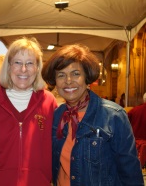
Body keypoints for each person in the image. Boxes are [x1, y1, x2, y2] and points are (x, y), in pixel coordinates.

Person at [42, 44, 144, 186]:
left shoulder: (113, 116)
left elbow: (131, 173)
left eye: (76, 73)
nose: (68, 81)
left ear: (87, 77)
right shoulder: (57, 116)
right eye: (61, 75)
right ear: (55, 82)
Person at [0, 37, 58, 186]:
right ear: (8, 66)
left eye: (30, 63)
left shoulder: (49, 102)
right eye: (17, 62)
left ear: (38, 67)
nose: (23, 69)